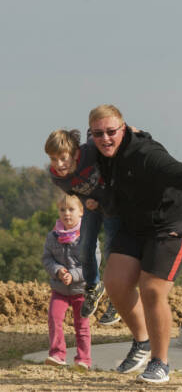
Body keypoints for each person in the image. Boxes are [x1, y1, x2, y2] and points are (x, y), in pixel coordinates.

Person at [90, 105, 182, 383]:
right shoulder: (96, 151)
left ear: (123, 128)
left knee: (152, 290)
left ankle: (160, 362)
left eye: (111, 132)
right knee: (116, 284)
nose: (105, 139)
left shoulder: (147, 156)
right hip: (135, 222)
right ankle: (142, 341)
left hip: (172, 221)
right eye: (98, 133)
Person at [44, 129, 120, 325]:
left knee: (112, 250)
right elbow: (75, 193)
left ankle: (118, 297)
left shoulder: (88, 151)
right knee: (85, 247)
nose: (58, 164)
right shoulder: (57, 177)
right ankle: (94, 287)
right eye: (53, 159)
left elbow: (100, 136)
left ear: (75, 153)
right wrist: (87, 200)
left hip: (112, 205)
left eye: (62, 158)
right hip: (92, 206)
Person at [41, 194, 97, 369]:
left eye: (71, 209)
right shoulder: (52, 237)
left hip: (80, 290)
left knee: (81, 326)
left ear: (81, 212)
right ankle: (57, 354)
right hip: (60, 289)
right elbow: (47, 259)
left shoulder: (87, 237)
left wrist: (73, 274)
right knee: (54, 318)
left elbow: (93, 263)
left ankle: (83, 360)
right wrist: (58, 271)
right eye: (62, 210)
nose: (67, 214)